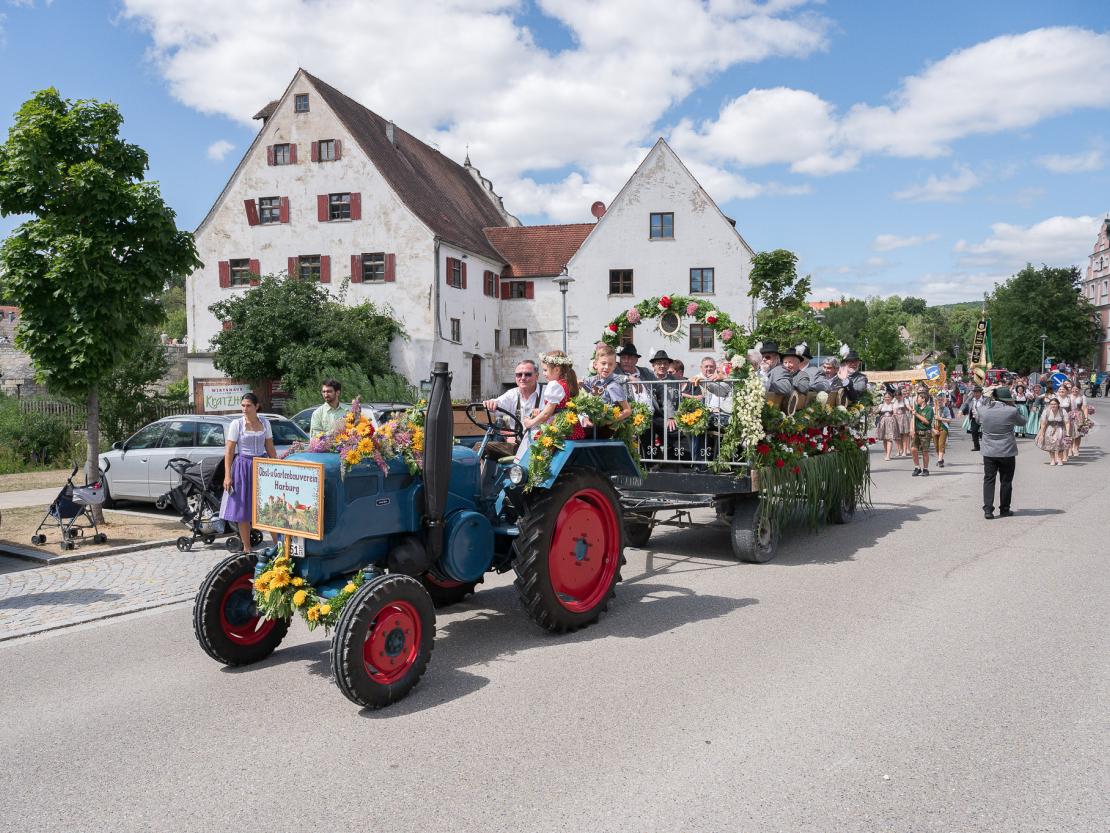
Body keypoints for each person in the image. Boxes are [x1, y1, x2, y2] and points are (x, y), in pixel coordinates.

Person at [220, 392, 277, 550]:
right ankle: (247, 548)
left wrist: (278, 467)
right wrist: (227, 476)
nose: (244, 409)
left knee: (268, 508)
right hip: (243, 467)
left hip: (262, 467)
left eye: (248, 406)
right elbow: (229, 451)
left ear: (257, 406)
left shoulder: (265, 423)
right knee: (242, 508)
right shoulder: (236, 424)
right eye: (243, 405)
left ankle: (278, 545)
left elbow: (270, 447)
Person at [518, 351, 581, 459]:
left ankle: (520, 467)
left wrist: (530, 423)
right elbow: (557, 408)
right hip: (569, 427)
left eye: (545, 370)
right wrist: (541, 412)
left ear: (556, 370)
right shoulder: (565, 384)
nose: (543, 373)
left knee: (531, 436)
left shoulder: (554, 385)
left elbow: (548, 413)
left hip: (557, 426)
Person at [977, 386, 1026, 519]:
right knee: (1006, 481)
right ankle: (1004, 509)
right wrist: (1014, 406)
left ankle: (988, 510)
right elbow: (1023, 422)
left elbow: (977, 420)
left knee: (989, 479)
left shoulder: (982, 409)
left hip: (989, 451)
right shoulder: (1011, 410)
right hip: (1007, 450)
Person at [482, 360, 543, 457]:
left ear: (537, 376)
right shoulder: (512, 394)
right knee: (480, 448)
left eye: (527, 374)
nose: (523, 378)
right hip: (517, 445)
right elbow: (498, 403)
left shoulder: (547, 394)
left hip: (541, 446)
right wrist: (490, 403)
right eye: (519, 375)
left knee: (483, 447)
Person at [580, 344, 631, 428]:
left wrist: (610, 420)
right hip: (590, 423)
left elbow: (627, 410)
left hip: (605, 428)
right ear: (595, 365)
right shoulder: (591, 380)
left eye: (610, 364)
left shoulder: (613, 386)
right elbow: (578, 384)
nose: (606, 367)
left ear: (614, 366)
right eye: (603, 363)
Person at [1035, 395, 1069, 466]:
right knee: (1050, 444)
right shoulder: (1046, 411)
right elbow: (1043, 423)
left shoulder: (1063, 411)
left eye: (1055, 404)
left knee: (1060, 444)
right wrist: (1042, 434)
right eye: (1051, 404)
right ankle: (1052, 459)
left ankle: (1059, 459)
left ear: (1058, 404)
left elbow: (1067, 422)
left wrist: (1068, 433)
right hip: (1049, 428)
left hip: (1060, 428)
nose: (1053, 405)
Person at [910, 390, 933, 476]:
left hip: (925, 432)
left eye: (918, 398)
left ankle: (925, 469)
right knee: (913, 449)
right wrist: (912, 429)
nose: (917, 399)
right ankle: (917, 467)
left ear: (923, 399)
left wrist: (916, 414)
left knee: (925, 451)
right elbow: (912, 418)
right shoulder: (916, 407)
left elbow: (926, 421)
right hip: (916, 432)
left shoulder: (929, 409)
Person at [932, 391, 955, 468]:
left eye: (941, 400)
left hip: (943, 428)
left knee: (941, 444)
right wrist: (933, 429)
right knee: (936, 445)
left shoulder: (946, 409)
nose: (939, 402)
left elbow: (949, 419)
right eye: (938, 400)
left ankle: (939, 460)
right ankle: (940, 458)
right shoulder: (932, 409)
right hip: (934, 428)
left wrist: (940, 418)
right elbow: (929, 421)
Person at [875, 390, 898, 460]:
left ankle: (888, 455)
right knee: (884, 439)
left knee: (889, 438)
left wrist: (894, 413)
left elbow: (895, 412)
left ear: (891, 398)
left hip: (890, 422)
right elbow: (876, 412)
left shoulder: (893, 404)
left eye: (888, 397)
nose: (887, 398)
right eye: (885, 397)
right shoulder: (881, 405)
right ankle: (887, 453)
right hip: (882, 422)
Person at [961, 385, 985, 451]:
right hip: (974, 418)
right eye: (975, 393)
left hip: (984, 418)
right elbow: (965, 404)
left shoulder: (985, 399)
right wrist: (960, 411)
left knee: (984, 433)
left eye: (977, 393)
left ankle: (985, 446)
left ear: (981, 393)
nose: (976, 394)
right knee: (974, 432)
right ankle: (977, 447)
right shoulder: (972, 399)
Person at [894, 383, 913, 458]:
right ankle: (899, 450)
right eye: (896, 397)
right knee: (898, 435)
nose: (898, 398)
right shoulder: (894, 401)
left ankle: (905, 451)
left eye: (899, 397)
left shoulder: (905, 400)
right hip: (896, 418)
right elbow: (893, 409)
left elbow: (908, 406)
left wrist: (911, 409)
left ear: (901, 396)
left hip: (904, 418)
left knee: (905, 435)